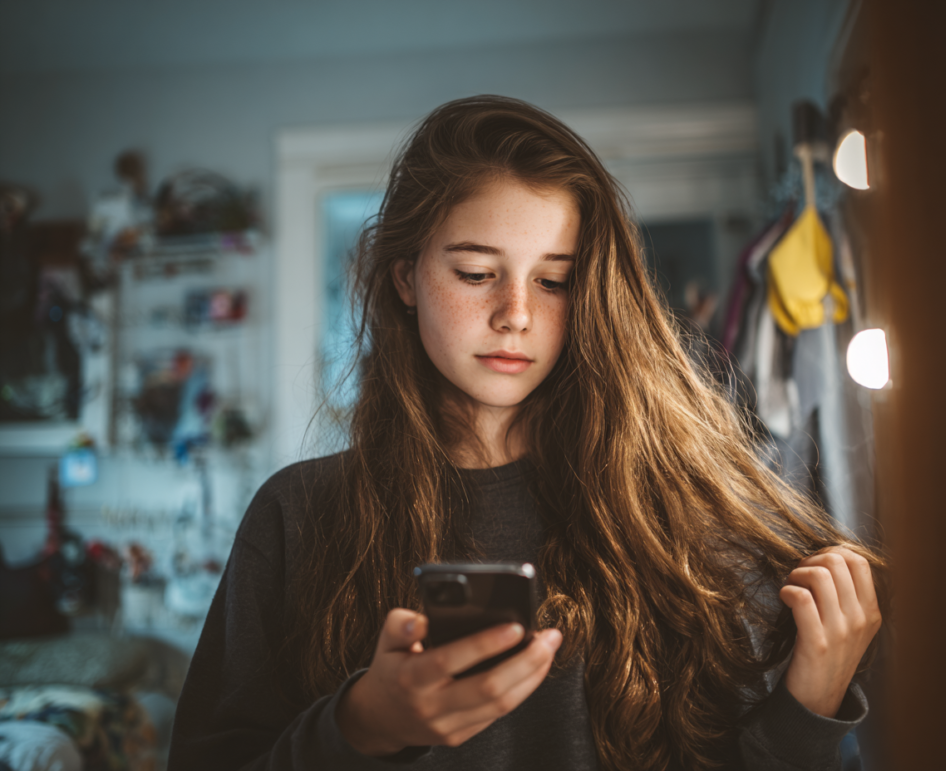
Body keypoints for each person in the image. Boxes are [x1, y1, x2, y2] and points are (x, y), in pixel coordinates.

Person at [168, 95, 888, 771]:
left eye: (553, 281)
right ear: (405, 277)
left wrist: (809, 711)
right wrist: (359, 725)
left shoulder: (681, 511)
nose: (515, 313)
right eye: (476, 272)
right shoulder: (296, 516)